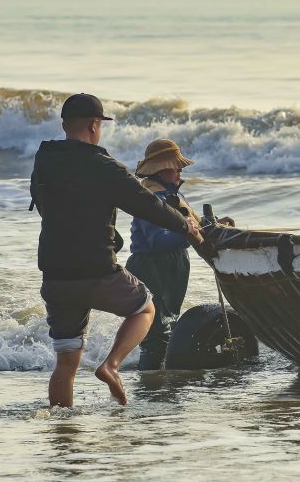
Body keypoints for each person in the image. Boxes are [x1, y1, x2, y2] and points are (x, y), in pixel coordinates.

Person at [30, 93, 202, 407]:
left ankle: (62, 435)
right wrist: (184, 225)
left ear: (65, 125)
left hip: (55, 274)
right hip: (96, 269)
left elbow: (45, 207)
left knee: (66, 364)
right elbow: (147, 204)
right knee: (145, 308)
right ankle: (111, 364)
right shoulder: (104, 166)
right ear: (95, 125)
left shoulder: (45, 160)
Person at [126, 139, 225, 370]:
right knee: (156, 333)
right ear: (160, 169)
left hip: (172, 267)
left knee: (167, 323)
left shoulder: (172, 196)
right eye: (176, 166)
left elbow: (194, 225)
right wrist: (188, 233)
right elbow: (157, 241)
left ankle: (156, 374)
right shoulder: (150, 199)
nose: (180, 170)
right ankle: (150, 382)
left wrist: (214, 226)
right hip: (152, 267)